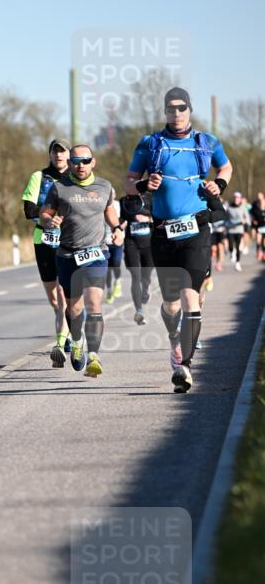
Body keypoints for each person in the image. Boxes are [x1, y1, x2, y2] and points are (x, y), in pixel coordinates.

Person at [126, 87, 232, 393]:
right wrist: (145, 183)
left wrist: (219, 184)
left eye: (181, 107)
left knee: (191, 297)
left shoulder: (206, 142)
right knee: (171, 305)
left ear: (189, 109)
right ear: (165, 111)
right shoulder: (150, 144)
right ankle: (175, 340)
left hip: (197, 230)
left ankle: (185, 365)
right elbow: (129, 181)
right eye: (171, 108)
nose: (177, 113)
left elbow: (225, 166)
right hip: (163, 232)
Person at [40, 144, 121, 378]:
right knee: (74, 308)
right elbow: (45, 213)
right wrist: (49, 221)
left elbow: (109, 210)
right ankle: (77, 343)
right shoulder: (59, 187)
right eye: (76, 161)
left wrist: (117, 228)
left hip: (96, 253)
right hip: (67, 254)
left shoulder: (105, 186)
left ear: (93, 162)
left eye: (85, 160)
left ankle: (94, 356)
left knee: (95, 304)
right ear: (70, 163)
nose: (80, 165)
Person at [21, 139, 72, 366]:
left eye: (63, 152)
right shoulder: (39, 177)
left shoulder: (75, 179)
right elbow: (28, 209)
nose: (59, 156)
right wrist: (47, 219)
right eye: (55, 151)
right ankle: (66, 326)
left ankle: (61, 340)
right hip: (43, 239)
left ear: (69, 155)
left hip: (69, 239)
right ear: (50, 154)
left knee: (63, 294)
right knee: (53, 297)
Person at [119, 192, 153, 324]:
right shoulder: (124, 200)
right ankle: (139, 311)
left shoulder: (150, 198)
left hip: (149, 243)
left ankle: (146, 286)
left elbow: (158, 217)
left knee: (146, 275)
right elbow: (122, 220)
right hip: (131, 242)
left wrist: (147, 219)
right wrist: (116, 226)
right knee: (135, 276)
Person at [105, 187, 125, 304]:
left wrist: (120, 228)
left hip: (117, 240)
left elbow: (126, 219)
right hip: (104, 240)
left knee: (116, 264)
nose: (110, 196)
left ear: (115, 195)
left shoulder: (119, 205)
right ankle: (109, 291)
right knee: (107, 269)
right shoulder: (101, 205)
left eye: (112, 194)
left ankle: (117, 281)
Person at [225, 192, 251, 272]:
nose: (236, 199)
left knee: (238, 246)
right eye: (235, 197)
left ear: (240, 199)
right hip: (230, 230)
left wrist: (246, 224)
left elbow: (247, 218)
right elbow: (225, 219)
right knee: (231, 246)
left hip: (239, 230)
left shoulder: (243, 208)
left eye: (238, 198)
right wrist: (227, 224)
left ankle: (237, 262)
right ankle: (231, 252)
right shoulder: (229, 208)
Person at [250, 191, 265, 261]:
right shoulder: (255, 204)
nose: (259, 197)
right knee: (258, 240)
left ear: (263, 196)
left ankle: (264, 253)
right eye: (258, 196)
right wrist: (253, 220)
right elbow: (252, 214)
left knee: (264, 242)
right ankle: (258, 252)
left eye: (260, 196)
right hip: (259, 225)